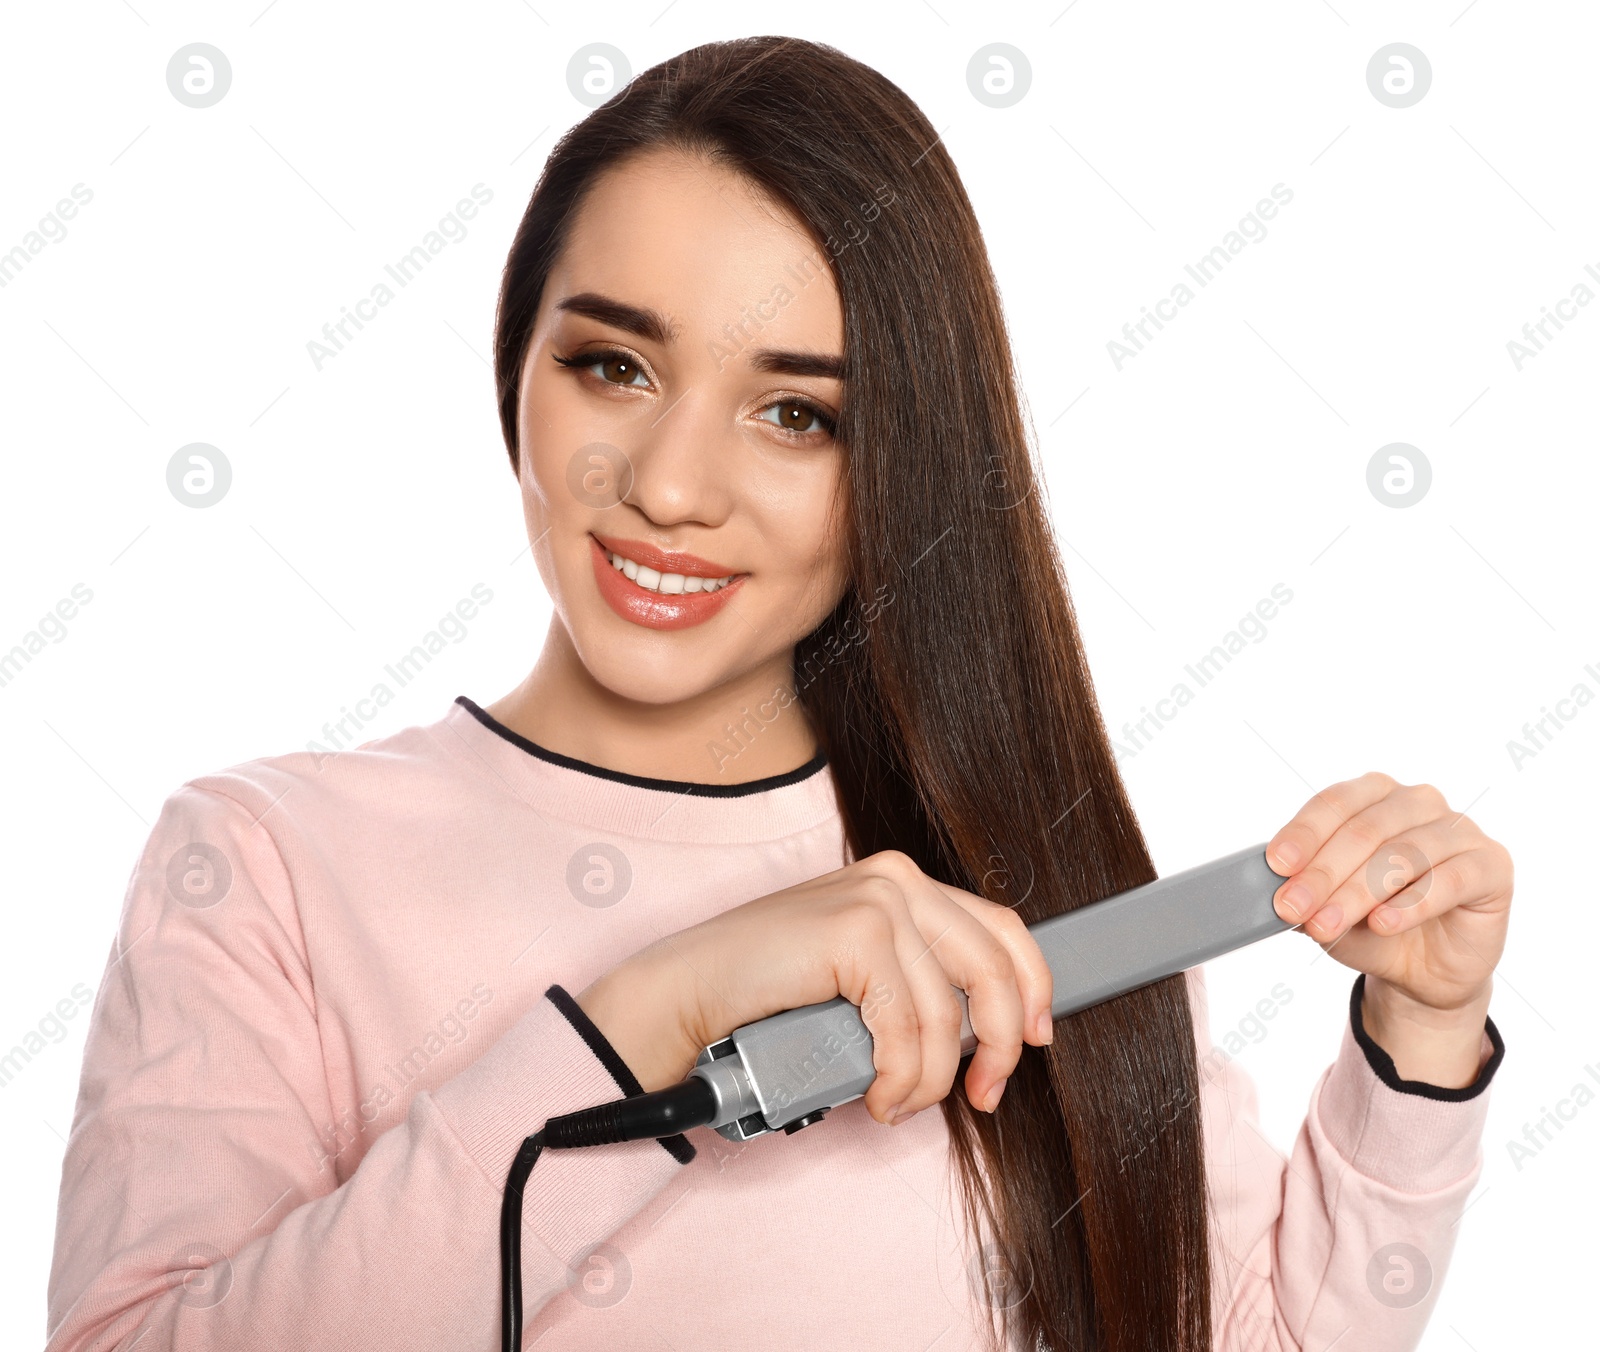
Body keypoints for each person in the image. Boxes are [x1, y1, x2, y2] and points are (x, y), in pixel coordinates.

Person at [45, 35, 1511, 1352]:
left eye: (796, 415)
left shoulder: (1017, 867)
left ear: (904, 465)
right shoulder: (261, 867)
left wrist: (1421, 1042)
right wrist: (651, 1016)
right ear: (517, 370)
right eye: (613, 366)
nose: (671, 487)